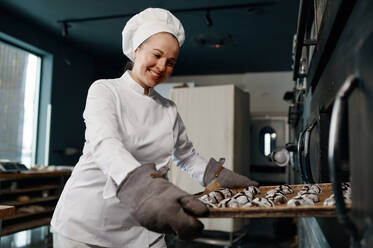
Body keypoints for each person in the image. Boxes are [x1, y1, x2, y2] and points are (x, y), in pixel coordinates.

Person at [51, 8, 258, 248]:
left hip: (146, 221)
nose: (162, 66)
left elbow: (187, 158)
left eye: (170, 62)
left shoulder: (168, 109)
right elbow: (105, 143)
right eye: (156, 55)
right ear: (137, 50)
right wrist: (142, 186)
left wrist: (218, 175)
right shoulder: (105, 90)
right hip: (88, 221)